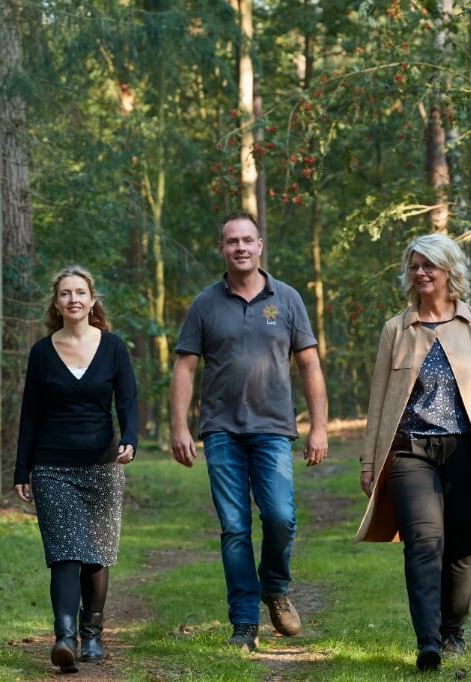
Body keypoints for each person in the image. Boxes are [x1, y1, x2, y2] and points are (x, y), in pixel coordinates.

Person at [354, 233, 471, 672]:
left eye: (429, 265)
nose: (421, 272)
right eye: (414, 266)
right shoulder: (397, 328)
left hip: (464, 451)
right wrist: (371, 462)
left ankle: (453, 633)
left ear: (450, 271)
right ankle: (428, 642)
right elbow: (378, 401)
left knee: (459, 546)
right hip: (410, 451)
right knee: (423, 542)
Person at [170, 211, 329, 652]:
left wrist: (318, 427)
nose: (240, 247)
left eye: (247, 240)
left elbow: (310, 365)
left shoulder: (288, 299)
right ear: (221, 249)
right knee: (235, 527)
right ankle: (243, 622)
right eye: (231, 241)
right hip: (221, 430)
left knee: (280, 516)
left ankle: (275, 587)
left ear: (260, 246)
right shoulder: (205, 303)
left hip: (275, 428)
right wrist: (179, 425)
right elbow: (184, 367)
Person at [14, 265, 139, 674]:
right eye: (65, 293)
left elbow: (128, 401)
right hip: (52, 465)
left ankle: (93, 635)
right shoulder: (41, 353)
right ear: (56, 302)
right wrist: (22, 470)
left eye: (80, 292)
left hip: (102, 464)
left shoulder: (114, 347)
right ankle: (64, 637)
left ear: (92, 299)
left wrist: (130, 439)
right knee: (65, 552)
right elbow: (29, 415)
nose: (73, 299)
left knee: (97, 555)